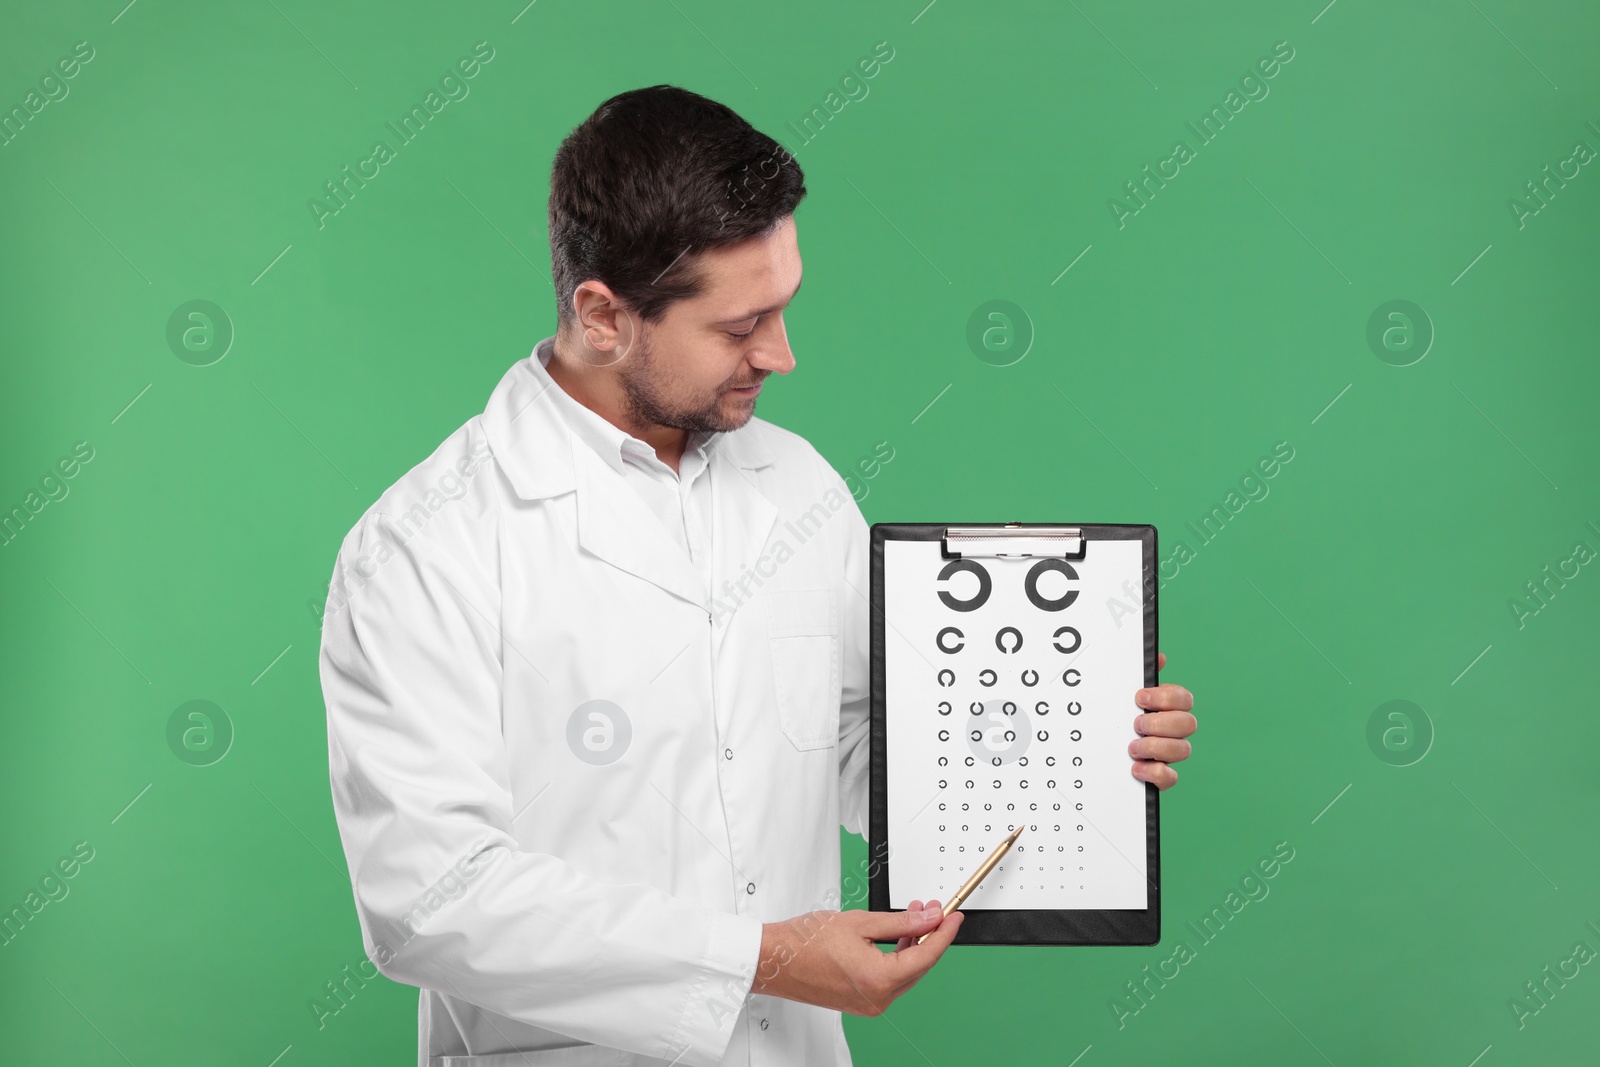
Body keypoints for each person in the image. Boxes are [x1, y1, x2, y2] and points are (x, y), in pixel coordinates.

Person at [318, 84, 1197, 1067]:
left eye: (784, 306)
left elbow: (865, 747)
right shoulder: (426, 544)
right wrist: (764, 957)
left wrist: (1076, 744)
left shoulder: (797, 483)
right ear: (603, 315)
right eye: (741, 326)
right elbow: (429, 898)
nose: (781, 354)